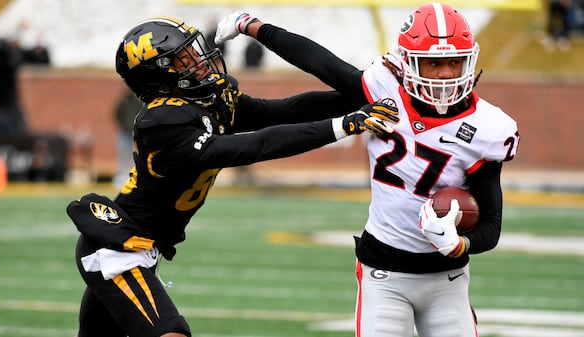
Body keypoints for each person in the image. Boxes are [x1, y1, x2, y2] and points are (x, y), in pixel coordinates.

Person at [66, 16, 399, 337]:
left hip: (142, 244)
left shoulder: (206, 100)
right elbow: (255, 146)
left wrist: (361, 95)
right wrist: (342, 126)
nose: (199, 60)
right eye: (185, 58)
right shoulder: (162, 121)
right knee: (171, 333)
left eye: (194, 51)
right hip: (118, 246)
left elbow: (279, 111)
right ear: (161, 75)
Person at [215, 3, 520, 337]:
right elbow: (320, 62)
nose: (446, 74)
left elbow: (491, 223)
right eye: (433, 63)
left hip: (447, 280)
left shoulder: (487, 128)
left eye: (454, 62)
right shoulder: (384, 87)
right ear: (407, 63)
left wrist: (459, 244)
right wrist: (252, 25)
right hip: (384, 273)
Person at [112, 89, 143, 189]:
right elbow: (117, 115)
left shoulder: (138, 104)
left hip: (135, 134)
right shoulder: (123, 103)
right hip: (124, 134)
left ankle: (135, 178)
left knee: (135, 157)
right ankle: (121, 178)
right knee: (123, 157)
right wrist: (123, 127)